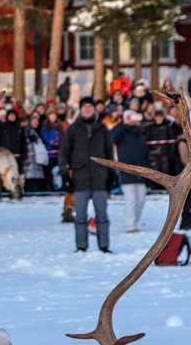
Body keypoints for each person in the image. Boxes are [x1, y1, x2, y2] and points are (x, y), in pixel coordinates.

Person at [58, 97, 113, 252]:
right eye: (84, 107)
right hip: (79, 179)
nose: (87, 109)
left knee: (102, 216)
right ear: (80, 109)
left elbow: (109, 152)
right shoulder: (72, 129)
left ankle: (104, 246)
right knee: (80, 216)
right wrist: (65, 173)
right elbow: (64, 153)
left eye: (90, 106)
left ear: (94, 109)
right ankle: (81, 247)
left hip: (100, 179)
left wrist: (111, 174)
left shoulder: (102, 129)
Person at [111, 110, 149, 234]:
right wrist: (123, 123)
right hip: (127, 172)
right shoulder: (121, 133)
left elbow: (145, 154)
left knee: (141, 200)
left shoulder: (141, 134)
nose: (133, 120)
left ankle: (135, 222)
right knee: (131, 200)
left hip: (141, 171)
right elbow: (112, 137)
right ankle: (130, 225)